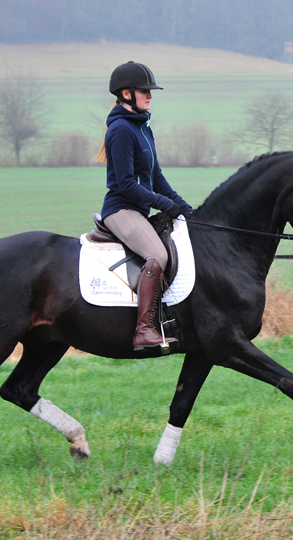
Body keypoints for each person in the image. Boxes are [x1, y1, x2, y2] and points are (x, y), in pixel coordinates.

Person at [94, 61, 192, 352]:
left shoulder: (143, 128)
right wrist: (165, 205)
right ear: (126, 93)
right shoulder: (122, 130)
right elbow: (127, 185)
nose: (150, 95)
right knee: (158, 254)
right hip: (121, 210)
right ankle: (144, 330)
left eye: (151, 91)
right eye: (145, 91)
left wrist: (186, 209)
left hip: (138, 210)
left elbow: (157, 178)